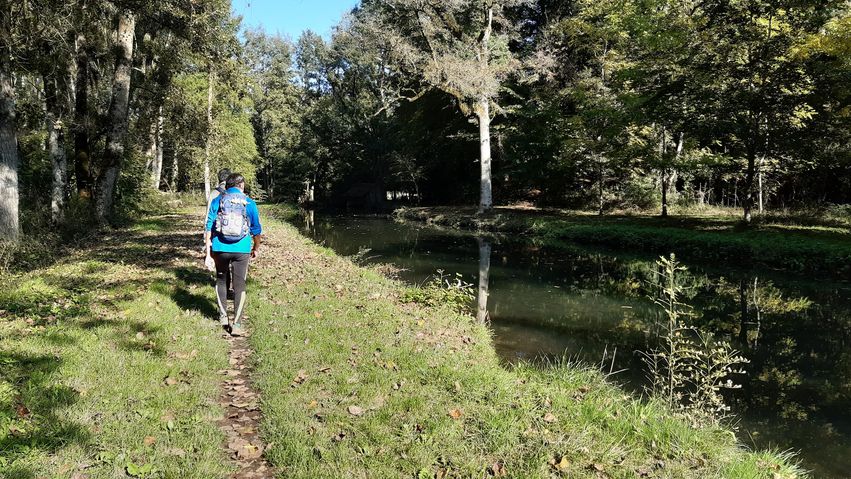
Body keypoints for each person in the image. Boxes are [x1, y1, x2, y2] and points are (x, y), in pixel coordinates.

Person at [204, 173, 262, 336]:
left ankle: (223, 317)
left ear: (227, 186)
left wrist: (208, 252)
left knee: (221, 280)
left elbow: (208, 226)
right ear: (241, 185)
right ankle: (236, 324)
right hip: (241, 249)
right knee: (239, 284)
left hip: (219, 248)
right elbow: (256, 230)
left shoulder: (217, 201)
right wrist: (256, 248)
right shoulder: (249, 202)